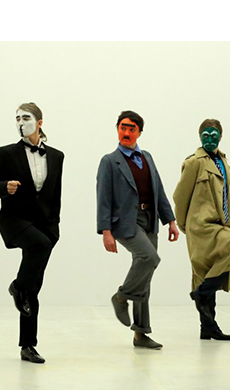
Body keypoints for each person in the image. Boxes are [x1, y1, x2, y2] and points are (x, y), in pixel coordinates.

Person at [0, 102, 64, 364]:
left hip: (44, 227)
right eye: (17, 118)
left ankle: (28, 345)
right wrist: (4, 187)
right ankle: (16, 287)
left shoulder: (57, 156)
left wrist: (54, 230)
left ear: (39, 123)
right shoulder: (6, 153)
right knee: (35, 258)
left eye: (26, 118)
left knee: (33, 288)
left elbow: (55, 196)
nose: (20, 122)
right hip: (14, 221)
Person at [96, 110, 178, 350]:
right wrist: (106, 231)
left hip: (149, 219)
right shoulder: (109, 161)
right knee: (149, 258)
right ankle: (121, 297)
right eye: (123, 127)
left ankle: (141, 334)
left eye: (131, 129)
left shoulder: (147, 157)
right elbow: (103, 198)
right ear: (117, 129)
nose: (126, 132)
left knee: (145, 276)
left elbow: (159, 190)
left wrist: (170, 220)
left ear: (139, 132)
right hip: (125, 222)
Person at [173, 119, 230, 340]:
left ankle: (203, 297)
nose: (210, 139)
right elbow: (180, 196)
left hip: (220, 224)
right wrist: (184, 225)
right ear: (200, 137)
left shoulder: (223, 161)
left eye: (214, 135)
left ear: (221, 136)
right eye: (205, 135)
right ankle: (207, 324)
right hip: (200, 226)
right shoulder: (194, 163)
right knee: (202, 273)